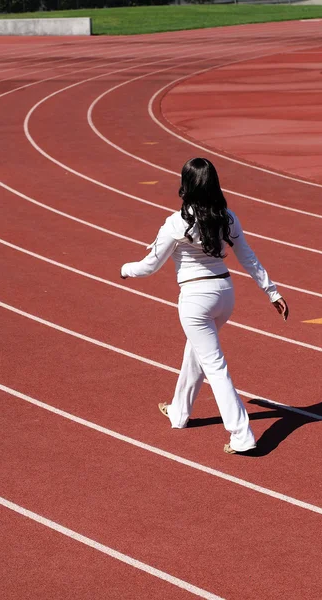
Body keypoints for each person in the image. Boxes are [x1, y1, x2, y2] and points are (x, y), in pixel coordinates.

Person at [121, 158, 288, 454]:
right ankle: (179, 412)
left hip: (195, 299)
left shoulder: (176, 222)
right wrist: (272, 292)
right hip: (225, 295)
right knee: (197, 352)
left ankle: (242, 435)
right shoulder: (227, 217)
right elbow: (247, 256)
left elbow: (149, 267)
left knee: (214, 366)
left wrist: (125, 269)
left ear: (186, 185)